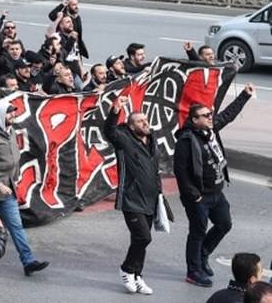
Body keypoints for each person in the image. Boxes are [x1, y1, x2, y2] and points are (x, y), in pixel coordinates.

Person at [174, 84, 255, 288]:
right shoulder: (186, 140)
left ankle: (203, 253)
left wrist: (244, 95)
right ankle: (193, 272)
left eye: (210, 114)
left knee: (224, 224)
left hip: (217, 193)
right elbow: (181, 172)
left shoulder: (211, 129)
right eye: (204, 115)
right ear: (194, 120)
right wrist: (194, 195)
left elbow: (228, 115)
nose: (210, 117)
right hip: (199, 197)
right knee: (197, 232)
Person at [0, 97, 49, 276]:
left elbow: (15, 157)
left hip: (8, 194)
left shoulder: (10, 133)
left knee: (16, 227)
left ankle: (28, 261)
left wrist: (14, 179)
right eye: (9, 112)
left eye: (13, 112)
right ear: (0, 115)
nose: (12, 115)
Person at [103, 95, 159, 295]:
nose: (145, 123)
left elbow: (154, 170)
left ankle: (138, 275)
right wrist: (115, 111)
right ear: (130, 126)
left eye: (145, 120)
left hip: (151, 200)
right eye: (140, 121)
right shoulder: (124, 140)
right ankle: (127, 269)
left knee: (141, 240)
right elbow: (109, 130)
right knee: (143, 237)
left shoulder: (152, 141)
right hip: (131, 199)